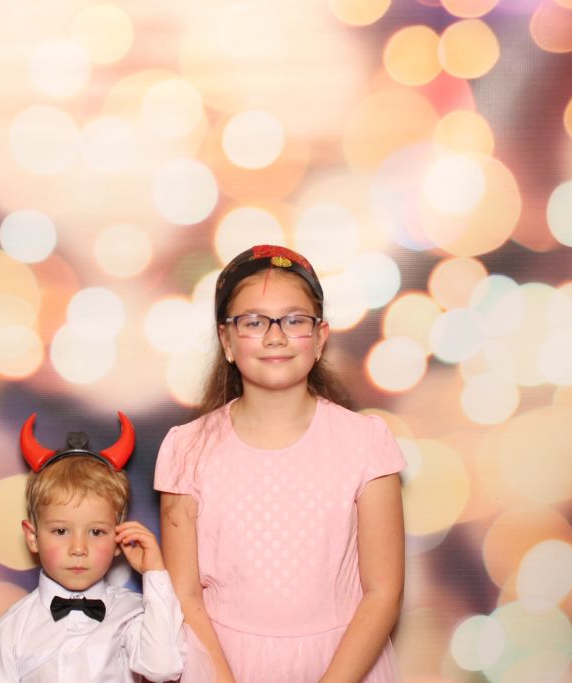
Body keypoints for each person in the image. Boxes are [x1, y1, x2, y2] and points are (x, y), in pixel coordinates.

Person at [156, 245, 406, 683]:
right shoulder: (186, 449)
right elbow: (185, 594)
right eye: (254, 322)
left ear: (320, 337)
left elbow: (383, 591)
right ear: (227, 340)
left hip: (343, 666)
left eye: (294, 320)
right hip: (223, 666)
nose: (275, 337)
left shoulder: (366, 442)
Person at [0, 412, 185, 682]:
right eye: (61, 531)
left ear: (118, 538)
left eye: (96, 532)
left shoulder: (135, 614)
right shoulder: (9, 630)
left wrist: (155, 573)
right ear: (32, 536)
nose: (79, 548)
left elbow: (163, 669)